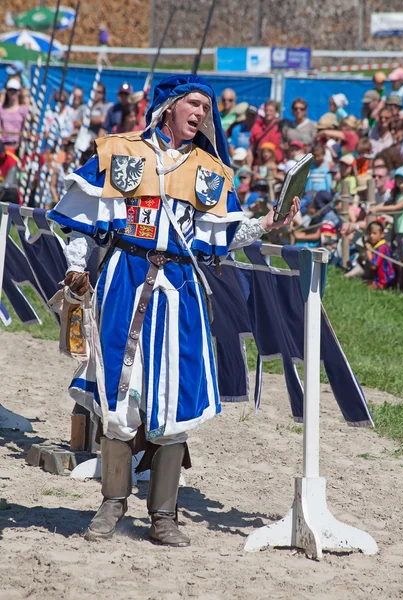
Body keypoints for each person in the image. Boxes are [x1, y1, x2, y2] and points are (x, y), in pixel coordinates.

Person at [49, 74, 299, 547]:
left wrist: (267, 222)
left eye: (207, 107)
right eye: (195, 104)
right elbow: (78, 217)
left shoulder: (211, 170)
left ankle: (164, 515)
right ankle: (111, 505)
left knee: (174, 395)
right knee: (119, 395)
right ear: (168, 107)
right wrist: (77, 268)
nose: (203, 114)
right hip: (125, 279)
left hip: (180, 289)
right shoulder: (120, 151)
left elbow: (221, 236)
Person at [365, 221, 396, 290]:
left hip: (385, 280)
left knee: (364, 288)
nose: (371, 236)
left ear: (382, 234)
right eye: (369, 233)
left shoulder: (381, 248)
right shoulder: (380, 246)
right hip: (379, 279)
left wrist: (368, 251)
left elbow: (373, 266)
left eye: (374, 233)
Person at [0, 78, 29, 148]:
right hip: (3, 146)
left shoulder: (23, 109)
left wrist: (21, 143)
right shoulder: (1, 109)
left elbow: (26, 128)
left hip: (18, 145)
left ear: (18, 92)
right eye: (10, 90)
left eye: (14, 90)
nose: (12, 93)